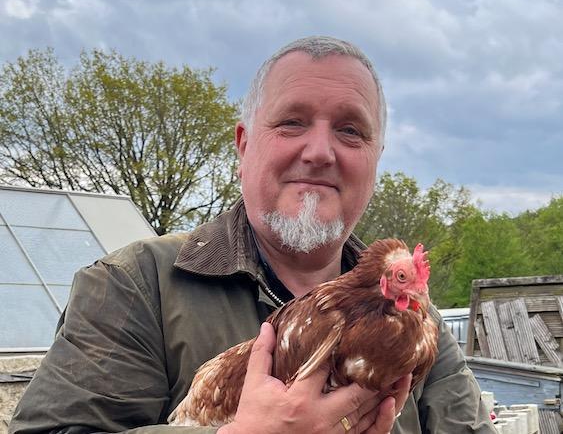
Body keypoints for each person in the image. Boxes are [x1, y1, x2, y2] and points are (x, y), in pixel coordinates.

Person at [9, 36, 495, 434]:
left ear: (375, 159)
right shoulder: (136, 284)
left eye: (350, 131)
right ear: (244, 146)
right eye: (292, 123)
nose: (319, 151)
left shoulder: (417, 322)